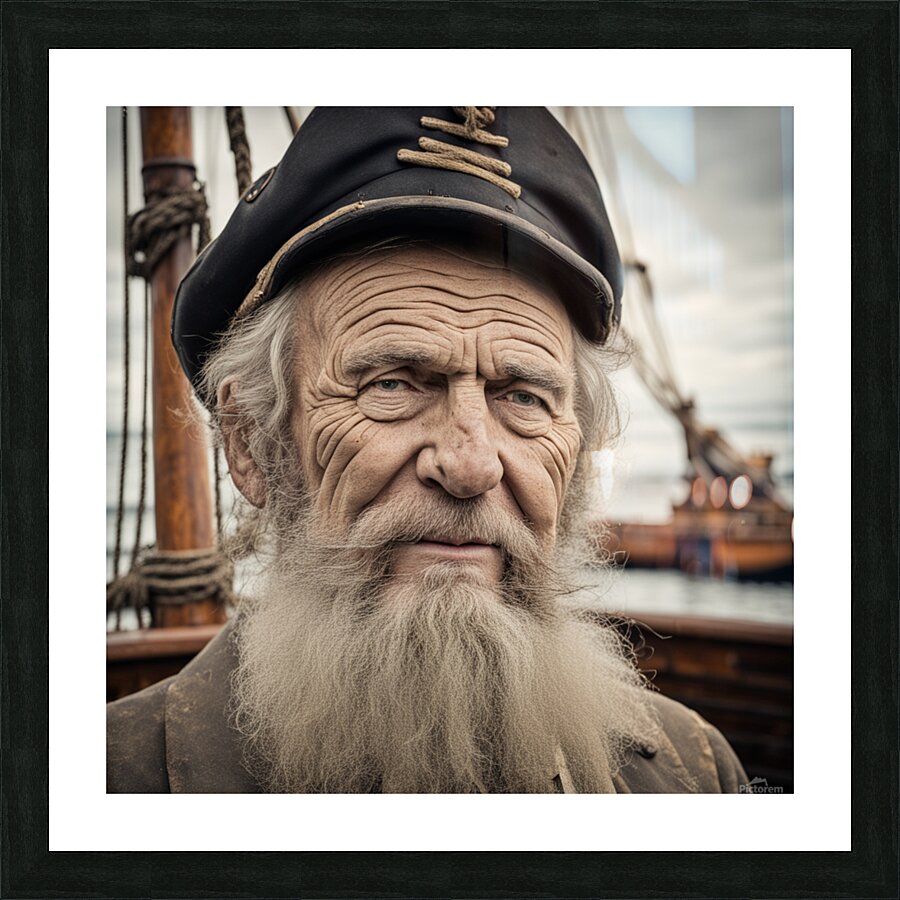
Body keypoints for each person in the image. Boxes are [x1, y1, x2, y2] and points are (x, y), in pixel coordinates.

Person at [107, 107, 747, 793]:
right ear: (252, 446)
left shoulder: (693, 775)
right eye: (392, 384)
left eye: (524, 397)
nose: (471, 466)